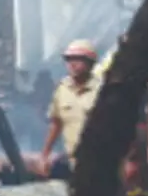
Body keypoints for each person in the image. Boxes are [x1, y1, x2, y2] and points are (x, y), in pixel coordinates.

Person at [38, 39, 101, 177]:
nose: (72, 64)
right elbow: (56, 124)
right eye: (69, 59)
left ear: (90, 63)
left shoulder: (102, 91)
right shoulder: (62, 89)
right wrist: (45, 154)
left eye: (78, 59)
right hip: (74, 161)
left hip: (101, 160)